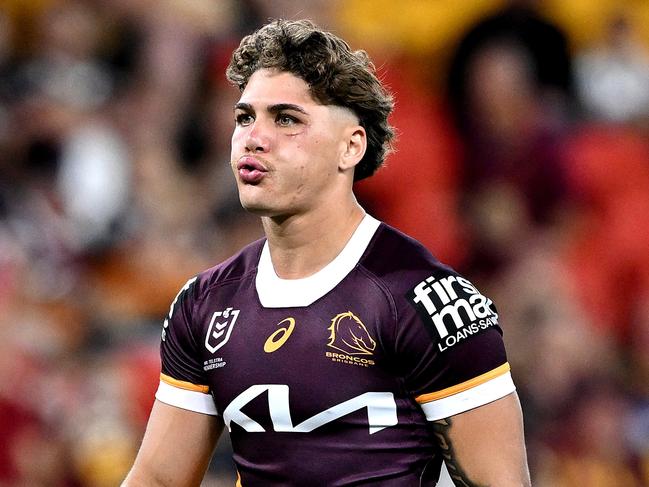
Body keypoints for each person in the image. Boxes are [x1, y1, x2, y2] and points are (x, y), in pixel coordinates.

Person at [122, 19, 530, 486]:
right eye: (244, 117)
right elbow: (157, 477)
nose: (254, 137)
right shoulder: (205, 303)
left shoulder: (428, 302)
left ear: (350, 146)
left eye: (287, 119)